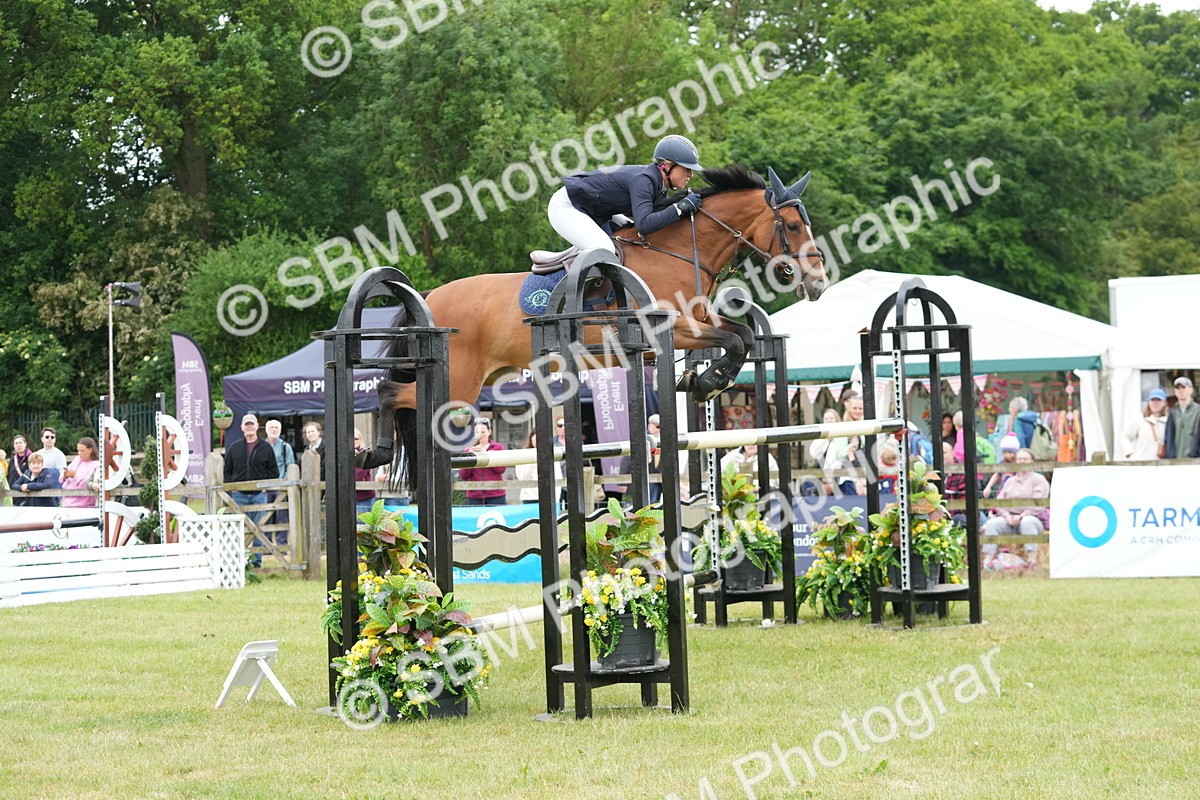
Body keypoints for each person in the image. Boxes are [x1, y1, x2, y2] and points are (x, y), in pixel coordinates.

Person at [547, 134, 703, 256]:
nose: (691, 175)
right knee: (605, 249)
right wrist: (679, 207)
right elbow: (644, 224)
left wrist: (682, 209)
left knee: (630, 240)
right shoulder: (644, 181)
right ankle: (572, 295)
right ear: (668, 166)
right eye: (687, 169)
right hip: (567, 206)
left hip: (596, 211)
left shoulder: (659, 187)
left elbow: (657, 221)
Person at [223, 414, 279, 564]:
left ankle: (256, 562)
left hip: (259, 495)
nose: (249, 427)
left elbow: (274, 471)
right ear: (242, 427)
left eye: (251, 424)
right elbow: (227, 471)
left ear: (256, 426)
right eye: (246, 425)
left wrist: (266, 488)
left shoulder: (265, 447)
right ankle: (238, 560)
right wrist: (230, 491)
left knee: (258, 529)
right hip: (238, 495)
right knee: (238, 528)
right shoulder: (234, 447)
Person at [982, 448, 1050, 568]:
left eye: (1025, 459)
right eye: (1019, 459)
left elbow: (1038, 503)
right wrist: (1007, 516)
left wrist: (1022, 516)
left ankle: (1031, 561)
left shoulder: (1039, 480)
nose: (1022, 461)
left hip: (1032, 519)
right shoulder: (1010, 481)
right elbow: (1000, 502)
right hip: (1010, 519)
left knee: (1027, 521)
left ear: (1032, 462)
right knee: (993, 523)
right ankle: (987, 562)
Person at [823, 393, 866, 495]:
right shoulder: (843, 427)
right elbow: (839, 454)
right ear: (849, 408)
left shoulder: (866, 425)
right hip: (847, 477)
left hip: (863, 475)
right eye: (855, 408)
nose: (858, 411)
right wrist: (849, 449)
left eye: (860, 408)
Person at [459, 418, 507, 506]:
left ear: (489, 432)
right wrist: (470, 456)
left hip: (496, 494)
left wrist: (485, 454)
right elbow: (464, 475)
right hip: (474, 496)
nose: (480, 435)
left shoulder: (498, 447)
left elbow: (501, 469)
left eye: (483, 432)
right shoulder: (468, 450)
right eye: (477, 432)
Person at [1121, 389, 1167, 461]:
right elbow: (1124, 436)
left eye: (1158, 400)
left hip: (1161, 466)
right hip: (1141, 465)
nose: (1155, 403)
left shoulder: (1168, 422)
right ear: (1148, 402)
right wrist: (1129, 452)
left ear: (1164, 402)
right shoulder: (1139, 419)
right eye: (1152, 400)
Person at [1161, 377, 1199, 459]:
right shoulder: (1172, 413)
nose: (1180, 390)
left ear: (1191, 390)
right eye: (1177, 388)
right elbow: (1168, 439)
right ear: (1175, 392)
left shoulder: (1198, 411)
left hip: (1195, 462)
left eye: (1183, 387)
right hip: (1176, 463)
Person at [61, 437, 101, 508]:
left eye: (82, 451)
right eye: (78, 450)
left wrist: (75, 476)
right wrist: (65, 475)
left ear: (90, 450)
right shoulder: (77, 459)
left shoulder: (97, 464)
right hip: (67, 501)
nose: (79, 453)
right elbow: (63, 476)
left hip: (84, 504)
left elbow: (89, 482)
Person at [982, 433, 1020, 498]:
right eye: (1005, 452)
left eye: (1010, 452)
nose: (1007, 455)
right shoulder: (1002, 463)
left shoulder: (1019, 463)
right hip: (1003, 490)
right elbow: (997, 474)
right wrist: (988, 487)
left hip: (1016, 490)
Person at [353, 429, 377, 514]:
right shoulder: (344, 455)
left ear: (360, 440)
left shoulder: (366, 454)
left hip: (364, 498)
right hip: (349, 498)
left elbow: (358, 475)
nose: (353, 441)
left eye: (356, 438)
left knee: (363, 526)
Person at [515, 432, 539, 504]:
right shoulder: (523, 454)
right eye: (536, 438)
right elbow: (522, 477)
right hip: (529, 497)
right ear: (531, 438)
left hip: (548, 496)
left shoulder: (551, 453)